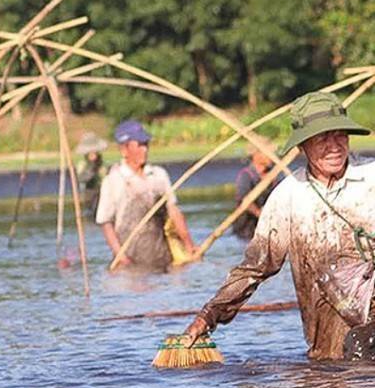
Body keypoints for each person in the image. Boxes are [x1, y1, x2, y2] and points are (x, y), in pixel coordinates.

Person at [182, 92, 375, 361]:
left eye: (340, 135)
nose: (334, 145)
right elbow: (255, 268)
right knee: (329, 381)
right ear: (303, 146)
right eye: (322, 138)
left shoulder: (370, 179)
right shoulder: (288, 196)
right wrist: (208, 316)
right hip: (326, 346)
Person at [96, 119, 195, 271]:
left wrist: (189, 245)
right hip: (131, 258)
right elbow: (105, 222)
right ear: (124, 149)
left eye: (146, 144)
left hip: (163, 254)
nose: (144, 150)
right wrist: (120, 256)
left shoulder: (159, 175)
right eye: (139, 145)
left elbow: (173, 212)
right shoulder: (113, 180)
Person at [231, 141, 279, 241]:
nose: (272, 156)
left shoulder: (273, 174)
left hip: (266, 225)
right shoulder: (246, 175)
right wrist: (259, 213)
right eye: (268, 153)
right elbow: (244, 199)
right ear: (256, 155)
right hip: (246, 226)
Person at [75, 133, 109, 218]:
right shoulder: (82, 165)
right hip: (90, 193)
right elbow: (82, 179)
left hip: (103, 194)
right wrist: (92, 167)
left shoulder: (103, 164)